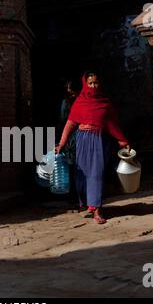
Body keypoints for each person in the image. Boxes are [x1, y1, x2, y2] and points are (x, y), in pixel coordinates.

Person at [55, 71, 130, 224]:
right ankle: (89, 203)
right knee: (81, 175)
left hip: (99, 141)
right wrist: (61, 144)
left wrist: (122, 141)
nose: (93, 86)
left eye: (96, 83)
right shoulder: (79, 102)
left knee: (96, 174)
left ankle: (97, 210)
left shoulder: (104, 102)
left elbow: (112, 125)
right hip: (82, 140)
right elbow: (70, 125)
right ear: (85, 84)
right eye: (90, 83)